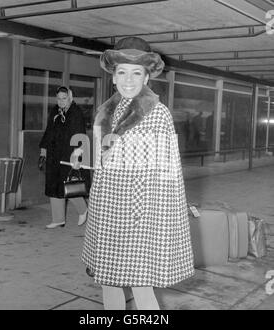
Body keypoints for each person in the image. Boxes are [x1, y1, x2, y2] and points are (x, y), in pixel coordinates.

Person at [81, 37, 194, 310]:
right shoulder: (107, 111)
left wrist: (157, 220)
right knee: (108, 280)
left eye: (136, 72)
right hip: (107, 209)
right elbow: (103, 165)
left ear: (146, 77)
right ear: (113, 75)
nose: (128, 80)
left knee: (140, 285)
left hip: (138, 214)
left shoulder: (157, 113)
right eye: (122, 71)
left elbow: (166, 172)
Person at [39, 86, 89, 229]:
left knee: (67, 184)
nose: (61, 101)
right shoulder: (55, 111)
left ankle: (83, 209)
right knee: (53, 185)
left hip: (69, 153)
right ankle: (58, 219)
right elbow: (49, 131)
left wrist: (78, 156)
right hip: (54, 154)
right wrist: (43, 150)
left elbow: (80, 135)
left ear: (70, 98)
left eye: (64, 98)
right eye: (59, 98)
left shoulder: (75, 113)